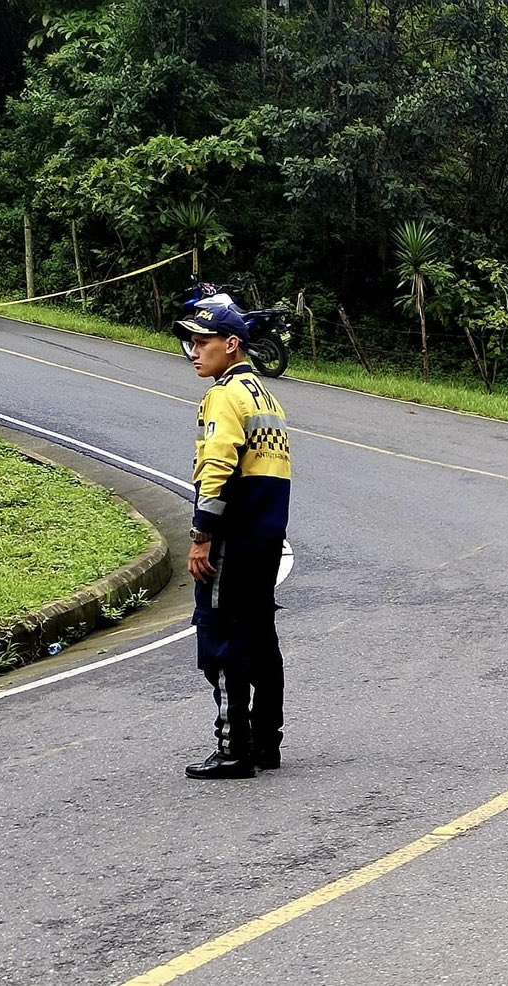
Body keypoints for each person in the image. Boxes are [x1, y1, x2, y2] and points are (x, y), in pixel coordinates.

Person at [174, 306, 293, 780]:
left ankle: (233, 747)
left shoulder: (223, 397)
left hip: (232, 539)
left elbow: (217, 469)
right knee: (261, 638)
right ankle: (266, 741)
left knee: (220, 638)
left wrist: (202, 537)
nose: (193, 353)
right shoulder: (265, 396)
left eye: (202, 343)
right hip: (266, 539)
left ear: (232, 344)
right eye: (191, 343)